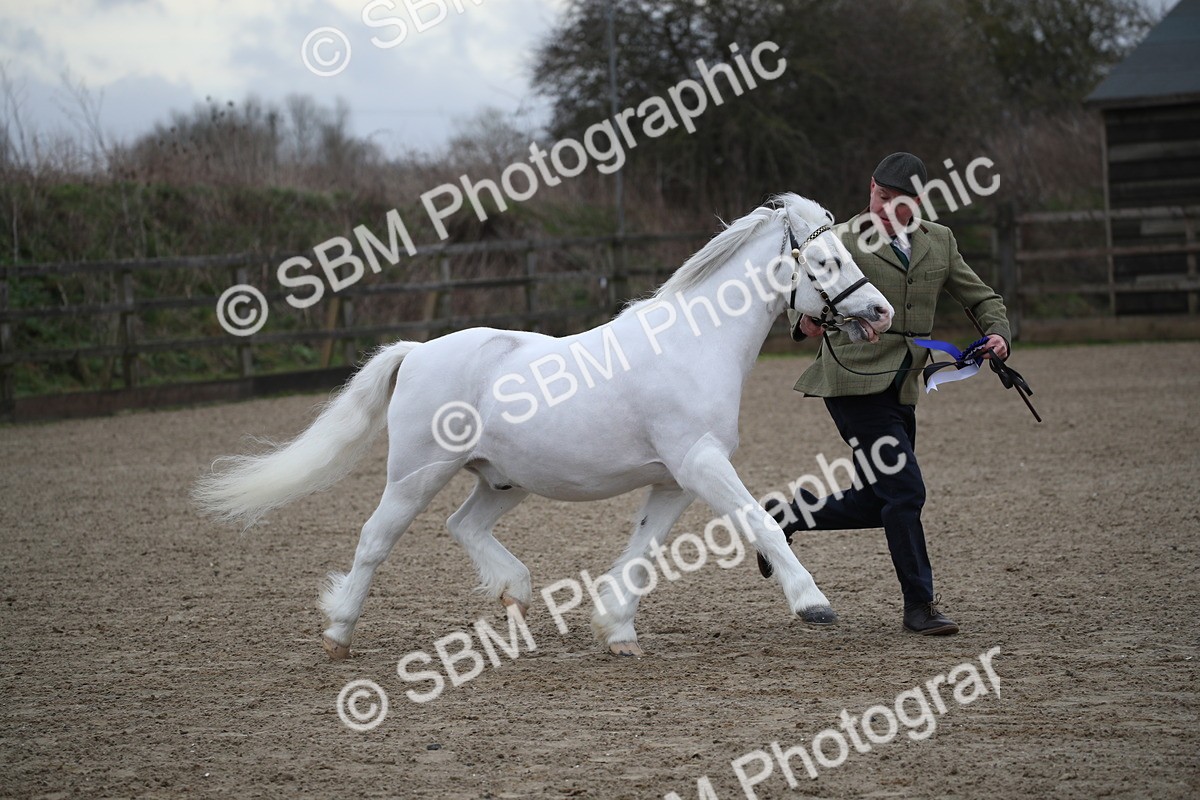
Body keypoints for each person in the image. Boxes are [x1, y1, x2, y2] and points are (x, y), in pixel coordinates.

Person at [759, 152, 1011, 635]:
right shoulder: (841, 240)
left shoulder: (940, 242)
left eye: (895, 201)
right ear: (870, 187)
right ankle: (920, 606)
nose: (882, 205)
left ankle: (788, 515)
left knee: (882, 499)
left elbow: (982, 297)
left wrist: (997, 333)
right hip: (851, 380)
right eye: (878, 194)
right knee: (905, 490)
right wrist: (805, 321)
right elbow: (803, 306)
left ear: (917, 202)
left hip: (904, 383)